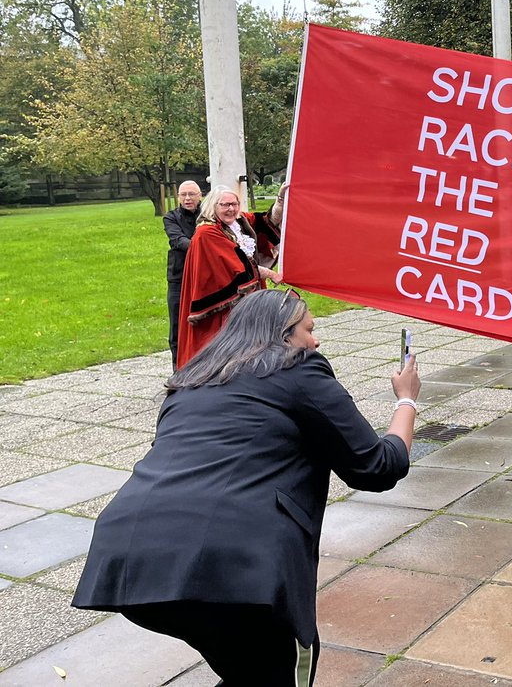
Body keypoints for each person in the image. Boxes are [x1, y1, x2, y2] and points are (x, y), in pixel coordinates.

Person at [73, 289, 421, 685]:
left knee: (248, 668)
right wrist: (406, 401)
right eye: (309, 329)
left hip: (128, 555)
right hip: (232, 563)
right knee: (273, 669)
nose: (315, 340)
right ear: (284, 334)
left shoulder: (192, 378)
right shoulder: (299, 368)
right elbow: (376, 467)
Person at [176, 185, 285, 368]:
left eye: (234, 204)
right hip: (222, 304)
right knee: (225, 351)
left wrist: (280, 200)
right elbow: (237, 264)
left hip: (245, 298)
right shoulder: (207, 232)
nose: (231, 209)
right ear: (213, 206)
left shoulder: (238, 223)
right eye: (225, 205)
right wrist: (270, 274)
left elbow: (267, 221)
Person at [163, 180, 202, 366]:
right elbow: (178, 240)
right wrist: (206, 247)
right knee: (177, 326)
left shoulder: (207, 215)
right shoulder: (171, 217)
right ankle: (178, 371)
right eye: (183, 195)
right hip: (178, 276)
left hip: (204, 276)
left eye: (191, 194)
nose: (187, 198)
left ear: (200, 195)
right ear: (178, 197)